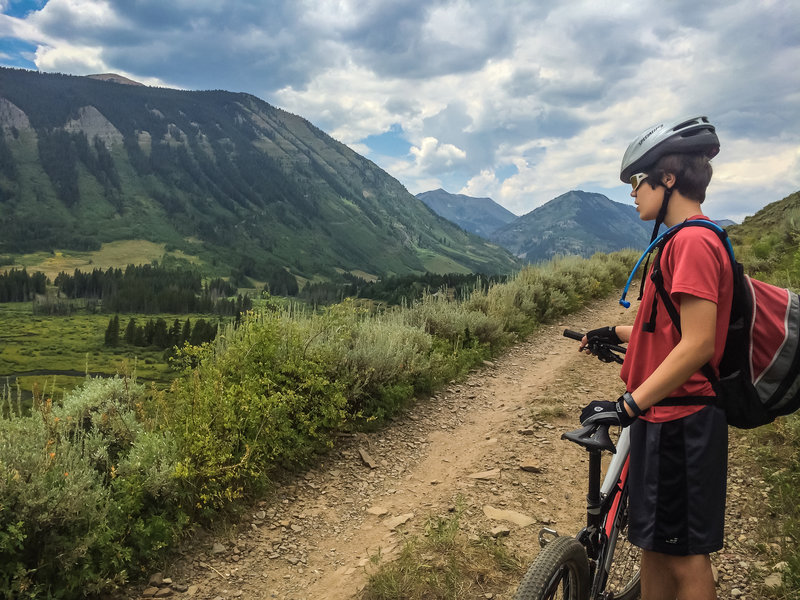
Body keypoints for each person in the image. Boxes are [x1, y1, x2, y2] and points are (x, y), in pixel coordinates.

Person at [578, 116, 732, 600]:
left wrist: (628, 405)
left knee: (684, 556)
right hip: (663, 417)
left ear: (668, 179)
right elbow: (668, 330)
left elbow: (698, 344)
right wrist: (613, 332)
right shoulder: (679, 241)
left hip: (682, 421)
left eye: (637, 181)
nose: (632, 193)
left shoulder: (693, 241)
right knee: (654, 546)